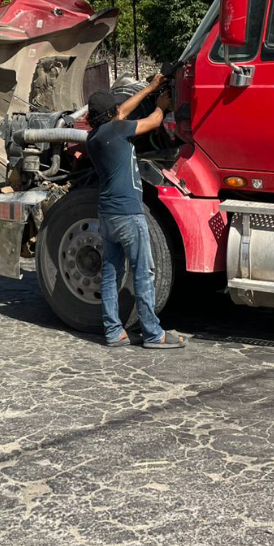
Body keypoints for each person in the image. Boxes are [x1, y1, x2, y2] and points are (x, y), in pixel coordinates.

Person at [85, 74, 187, 350]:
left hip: (107, 214)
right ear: (110, 115)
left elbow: (121, 111)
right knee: (144, 271)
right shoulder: (116, 130)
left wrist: (151, 88)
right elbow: (153, 122)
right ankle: (154, 334)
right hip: (128, 213)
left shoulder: (94, 137)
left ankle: (113, 331)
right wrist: (161, 106)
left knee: (110, 273)